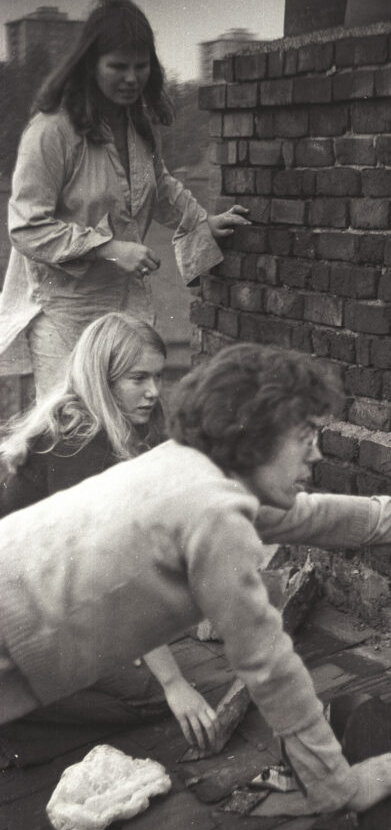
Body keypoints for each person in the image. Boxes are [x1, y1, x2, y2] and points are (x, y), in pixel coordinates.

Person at [0, 342, 391, 812]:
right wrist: (340, 785)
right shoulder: (211, 511)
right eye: (305, 436)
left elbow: (329, 516)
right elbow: (269, 665)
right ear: (255, 434)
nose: (318, 452)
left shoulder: (196, 466)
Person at [0, 0, 250, 399]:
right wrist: (110, 249)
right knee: (73, 433)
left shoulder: (137, 124)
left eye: (141, 66)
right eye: (118, 66)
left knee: (128, 429)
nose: (132, 78)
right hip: (64, 316)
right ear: (89, 66)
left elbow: (160, 186)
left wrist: (202, 222)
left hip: (124, 307)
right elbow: (26, 229)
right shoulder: (51, 132)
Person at [0, 312, 224, 764]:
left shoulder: (105, 421)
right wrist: (174, 682)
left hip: (39, 599)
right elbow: (109, 577)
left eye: (158, 377)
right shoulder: (80, 443)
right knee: (153, 697)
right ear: (102, 378)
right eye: (138, 378)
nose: (154, 391)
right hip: (17, 615)